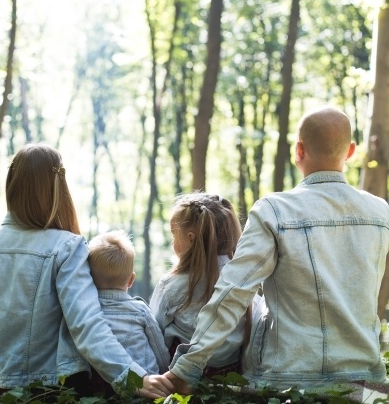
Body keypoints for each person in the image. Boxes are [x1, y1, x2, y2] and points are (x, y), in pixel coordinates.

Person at [163, 106, 389, 393]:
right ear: (351, 151)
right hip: (365, 382)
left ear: (298, 150)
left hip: (286, 382)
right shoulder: (381, 213)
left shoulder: (274, 211)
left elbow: (233, 292)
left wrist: (187, 367)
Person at [0, 143, 172, 399]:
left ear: (12, 182)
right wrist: (132, 378)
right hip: (53, 390)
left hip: (0, 387)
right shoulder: (66, 246)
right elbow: (87, 325)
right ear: (58, 187)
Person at [149, 192, 246, 377]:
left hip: (181, 376)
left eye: (174, 235)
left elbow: (155, 333)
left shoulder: (171, 284)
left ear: (191, 238)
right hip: (231, 373)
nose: (172, 241)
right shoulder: (243, 279)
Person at [88, 230, 170, 378]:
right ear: (131, 280)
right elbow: (160, 350)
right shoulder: (140, 310)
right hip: (146, 381)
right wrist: (164, 371)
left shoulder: (85, 312)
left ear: (89, 278)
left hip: (101, 386)